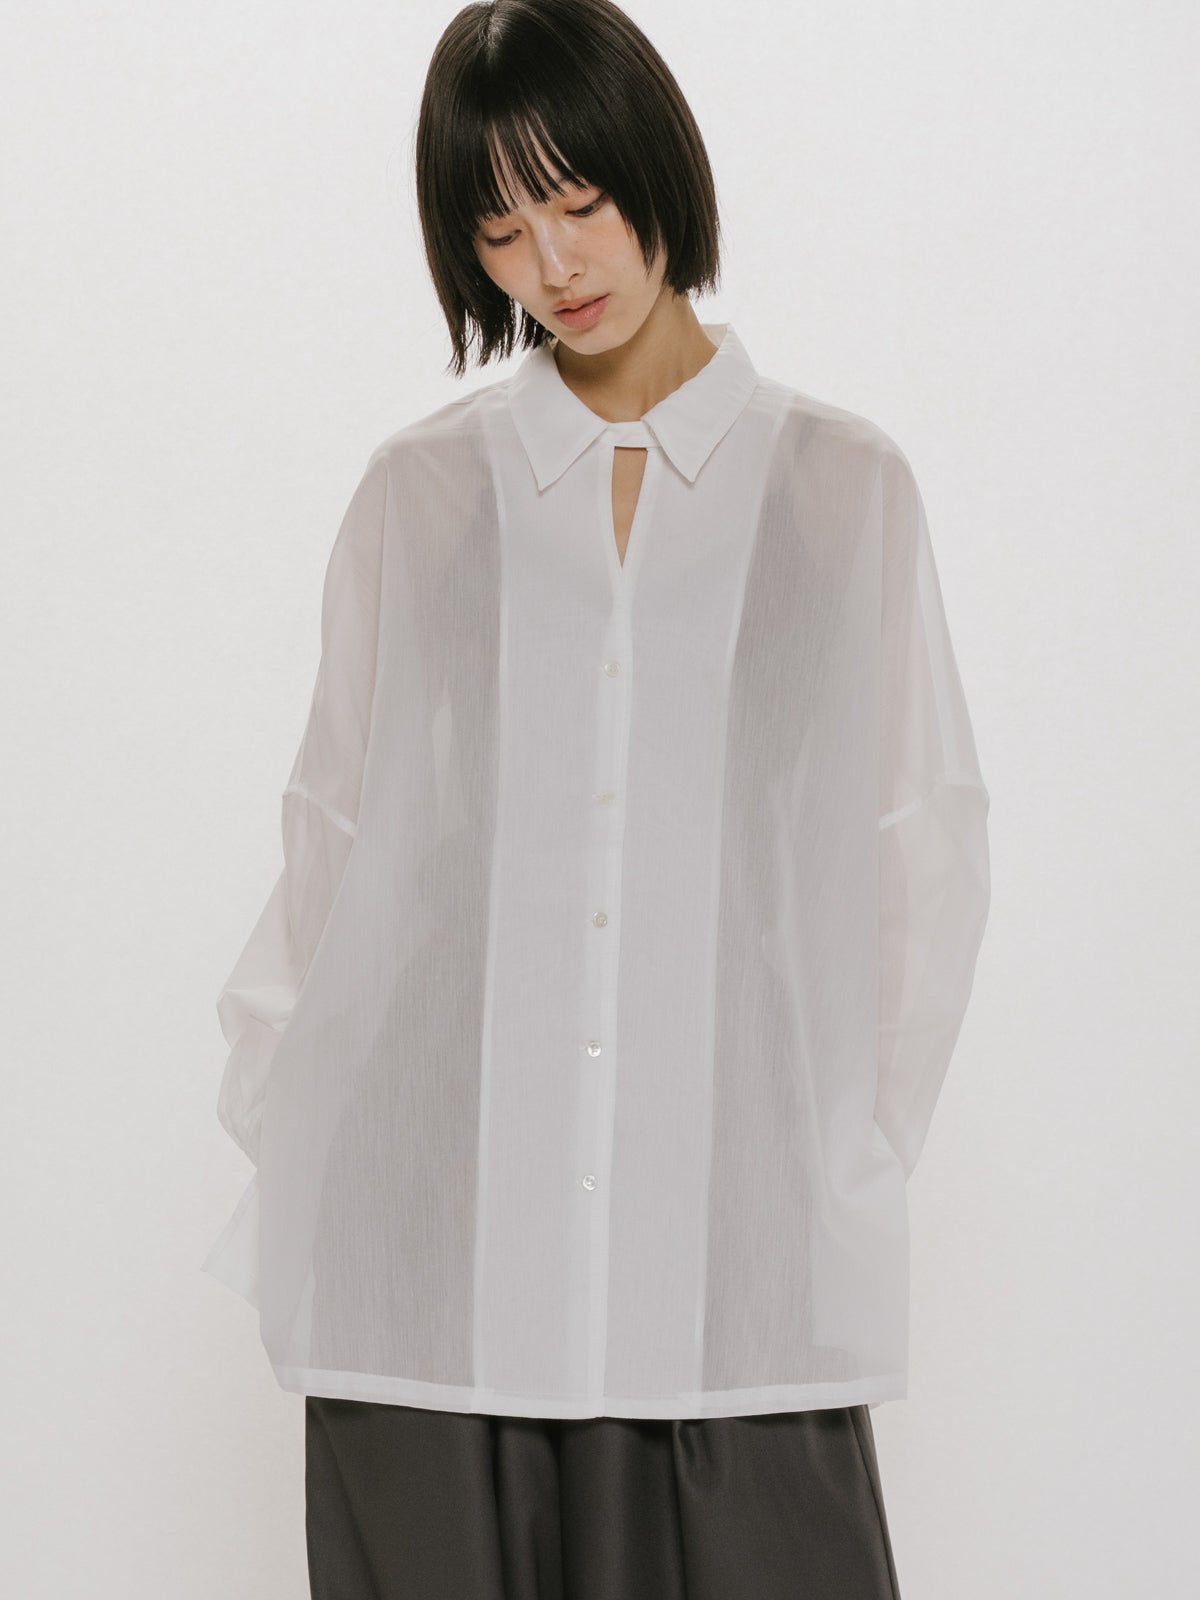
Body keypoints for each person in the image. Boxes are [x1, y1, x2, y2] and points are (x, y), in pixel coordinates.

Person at [200, 1, 991, 1595]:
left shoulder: (842, 489)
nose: (553, 266)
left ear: (659, 172)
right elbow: (337, 833)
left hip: (725, 1250)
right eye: (501, 231)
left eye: (580, 202)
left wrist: (816, 1163)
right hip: (435, 1238)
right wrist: (296, 1125)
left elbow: (918, 853)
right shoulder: (425, 496)